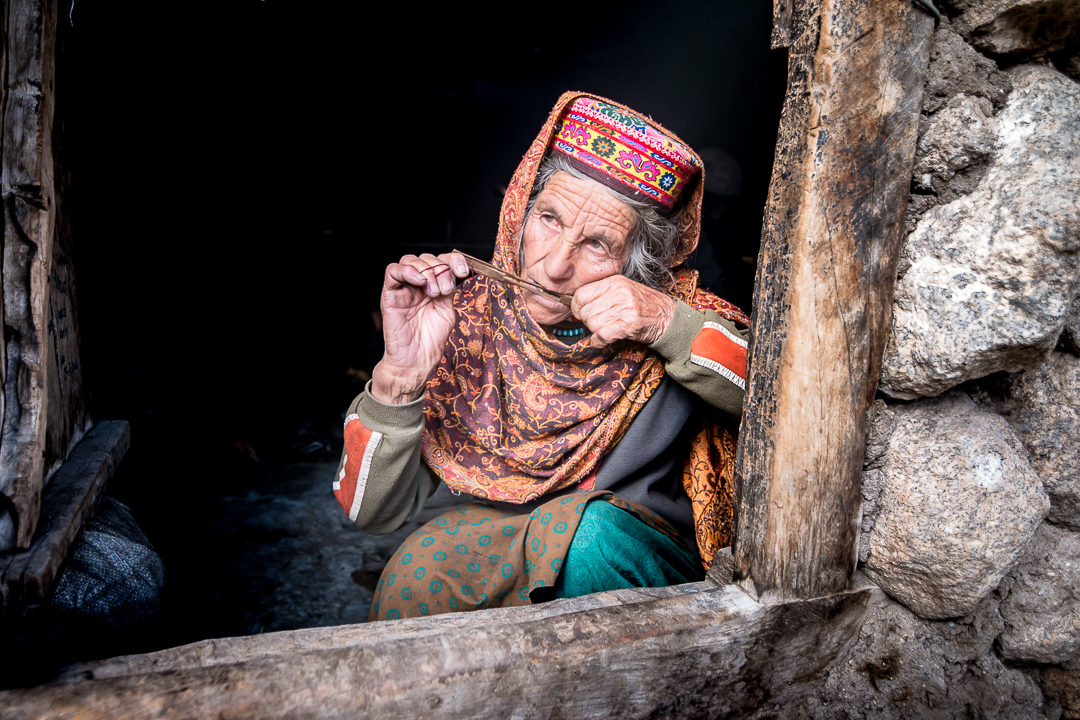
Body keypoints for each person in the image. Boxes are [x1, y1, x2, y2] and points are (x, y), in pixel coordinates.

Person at [335, 93, 750, 622]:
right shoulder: (471, 320)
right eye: (549, 219)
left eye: (597, 244)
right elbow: (370, 513)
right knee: (421, 567)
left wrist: (665, 323)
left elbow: (786, 403)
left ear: (639, 267)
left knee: (588, 537)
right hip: (501, 552)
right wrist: (402, 375)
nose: (554, 268)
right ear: (519, 214)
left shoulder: (674, 320)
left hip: (622, 570)